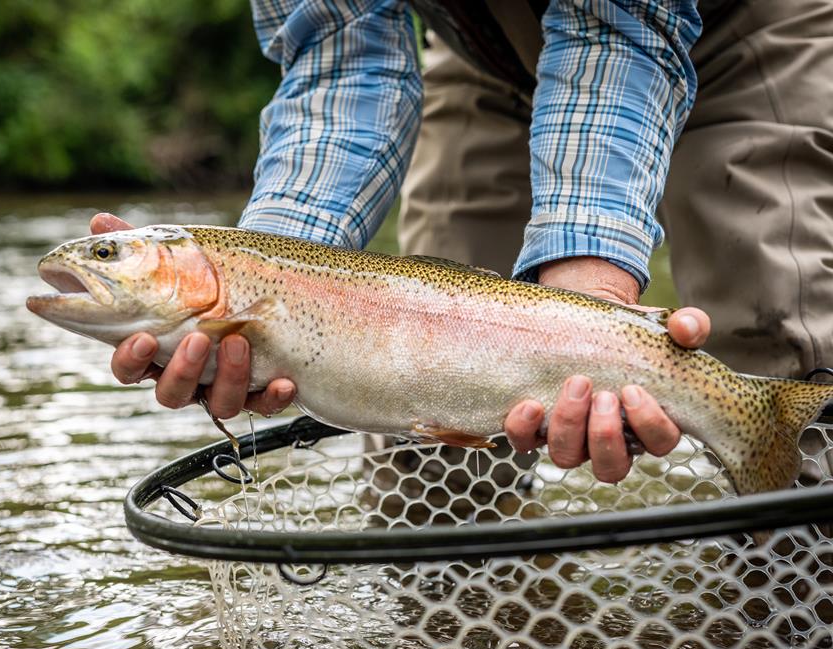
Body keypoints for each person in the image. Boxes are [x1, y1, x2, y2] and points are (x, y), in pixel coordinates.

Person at [96, 0, 833, 485]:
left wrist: (589, 284)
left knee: (784, 353)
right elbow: (342, 52)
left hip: (728, 30)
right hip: (482, 49)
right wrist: (264, 281)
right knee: (419, 430)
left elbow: (619, 27)